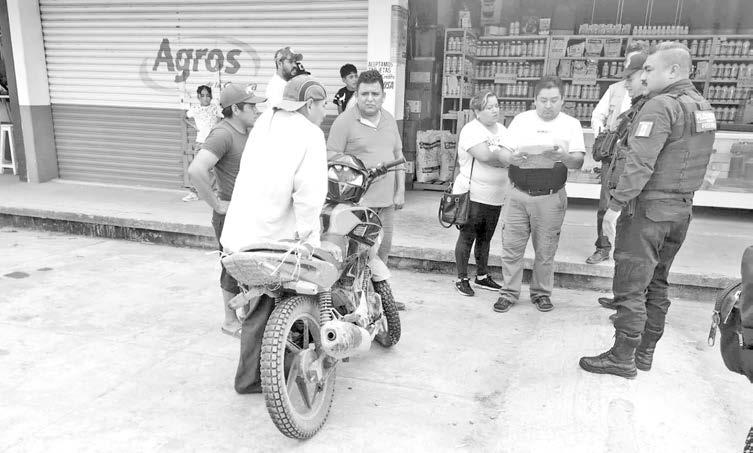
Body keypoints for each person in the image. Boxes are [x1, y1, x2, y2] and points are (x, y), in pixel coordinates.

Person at [579, 42, 716, 379]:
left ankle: (622, 357)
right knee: (657, 282)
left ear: (673, 70)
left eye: (650, 69)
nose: (644, 76)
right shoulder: (702, 105)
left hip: (648, 211)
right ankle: (645, 352)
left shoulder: (660, 106)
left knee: (630, 284)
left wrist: (614, 207)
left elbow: (640, 164)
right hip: (680, 210)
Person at [219, 75, 329, 394]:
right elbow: (309, 195)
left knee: (260, 307)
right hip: (271, 240)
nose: (325, 112)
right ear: (310, 104)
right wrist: (309, 241)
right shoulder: (310, 133)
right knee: (292, 300)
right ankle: (267, 376)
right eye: (323, 105)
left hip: (240, 235)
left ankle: (253, 376)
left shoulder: (265, 121)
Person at [494, 76, 585, 313]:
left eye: (554, 100)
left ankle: (541, 293)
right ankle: (508, 293)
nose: (548, 105)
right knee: (511, 248)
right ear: (534, 100)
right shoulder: (521, 120)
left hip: (550, 197)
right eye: (543, 100)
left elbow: (578, 161)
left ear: (562, 100)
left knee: (545, 250)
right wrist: (511, 158)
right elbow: (502, 153)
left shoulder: (571, 124)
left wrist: (564, 157)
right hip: (517, 194)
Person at [187, 83, 265, 338]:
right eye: (251, 106)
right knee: (232, 267)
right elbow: (196, 170)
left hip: (249, 213)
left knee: (249, 266)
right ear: (236, 109)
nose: (256, 110)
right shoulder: (223, 134)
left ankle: (246, 314)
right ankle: (230, 321)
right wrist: (217, 204)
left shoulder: (247, 131)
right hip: (231, 214)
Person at [326, 69, 405, 266]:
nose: (370, 99)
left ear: (383, 96)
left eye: (375, 94)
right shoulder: (344, 122)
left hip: (386, 204)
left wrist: (400, 191)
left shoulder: (389, 119)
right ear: (357, 95)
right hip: (357, 206)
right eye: (364, 94)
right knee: (357, 259)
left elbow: (398, 155)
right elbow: (331, 158)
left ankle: (378, 287)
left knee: (382, 255)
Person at [595, 52, 650, 313]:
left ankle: (630, 310)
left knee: (635, 254)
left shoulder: (654, 108)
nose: (625, 83)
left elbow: (640, 161)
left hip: (635, 194)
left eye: (630, 77)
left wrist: (618, 202)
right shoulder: (637, 105)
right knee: (624, 247)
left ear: (646, 74)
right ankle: (621, 299)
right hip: (621, 183)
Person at [587, 41, 650, 264]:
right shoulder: (616, 88)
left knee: (631, 207)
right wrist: (605, 135)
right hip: (613, 154)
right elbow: (597, 115)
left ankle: (625, 251)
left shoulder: (652, 97)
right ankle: (603, 247)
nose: (629, 67)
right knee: (606, 204)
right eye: (628, 61)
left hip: (634, 157)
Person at [451, 90, 513, 297]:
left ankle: (482, 275)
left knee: (486, 237)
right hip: (473, 193)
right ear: (477, 111)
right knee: (467, 236)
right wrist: (503, 157)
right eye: (489, 107)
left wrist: (502, 157)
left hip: (496, 195)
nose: (495, 110)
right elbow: (485, 156)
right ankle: (461, 278)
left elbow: (510, 155)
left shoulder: (503, 130)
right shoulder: (471, 130)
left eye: (496, 105)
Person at [182, 85, 223, 202]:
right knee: (196, 169)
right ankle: (194, 193)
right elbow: (184, 117)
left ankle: (214, 193)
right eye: (203, 95)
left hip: (213, 143)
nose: (206, 98)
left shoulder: (215, 108)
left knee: (215, 170)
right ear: (198, 97)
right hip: (200, 143)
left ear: (211, 97)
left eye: (208, 95)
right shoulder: (195, 109)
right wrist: (194, 127)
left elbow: (225, 117)